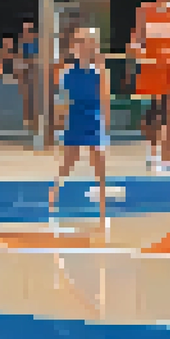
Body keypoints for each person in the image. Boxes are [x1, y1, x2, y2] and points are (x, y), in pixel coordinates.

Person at [49, 26, 109, 234]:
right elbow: (62, 101)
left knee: (99, 161)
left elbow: (105, 99)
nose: (85, 45)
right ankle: (53, 198)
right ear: (74, 46)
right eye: (81, 41)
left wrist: (105, 127)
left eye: (89, 41)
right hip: (75, 118)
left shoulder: (100, 71)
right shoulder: (66, 72)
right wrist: (58, 124)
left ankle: (103, 211)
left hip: (93, 118)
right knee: (68, 161)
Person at [129, 0, 170, 175]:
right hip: (151, 72)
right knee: (152, 115)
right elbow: (136, 39)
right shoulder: (145, 11)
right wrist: (136, 49)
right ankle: (152, 154)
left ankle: (167, 159)